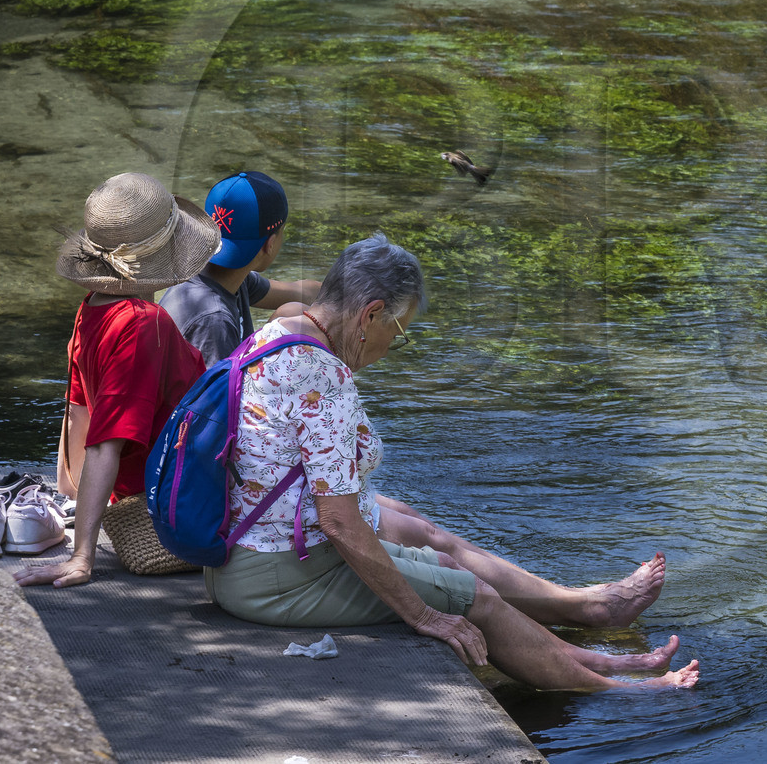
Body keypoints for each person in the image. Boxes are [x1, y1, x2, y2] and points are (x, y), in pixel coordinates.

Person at [165, 172, 667, 628]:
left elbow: (293, 296)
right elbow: (233, 428)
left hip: (247, 483)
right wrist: (357, 309)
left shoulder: (216, 282)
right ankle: (579, 607)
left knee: (412, 519)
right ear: (272, 242)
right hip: (225, 501)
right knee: (424, 535)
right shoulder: (214, 320)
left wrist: (352, 293)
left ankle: (568, 602)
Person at [205, 233, 700, 691]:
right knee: (473, 598)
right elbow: (338, 521)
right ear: (370, 315)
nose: (392, 347)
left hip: (246, 554)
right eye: (399, 332)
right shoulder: (322, 378)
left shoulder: (277, 332)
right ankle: (621, 691)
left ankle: (594, 656)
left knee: (444, 563)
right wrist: (424, 616)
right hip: (278, 577)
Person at [15, 172, 216, 589]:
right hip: (177, 491)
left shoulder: (92, 309)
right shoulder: (146, 323)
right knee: (372, 517)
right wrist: (81, 555)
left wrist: (72, 491)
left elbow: (79, 410)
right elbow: (106, 442)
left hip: (137, 485)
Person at [160, 171, 323, 367]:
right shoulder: (214, 320)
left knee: (292, 313)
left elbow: (300, 292)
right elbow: (215, 396)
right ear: (270, 244)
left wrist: (356, 296)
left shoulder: (226, 276)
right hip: (204, 397)